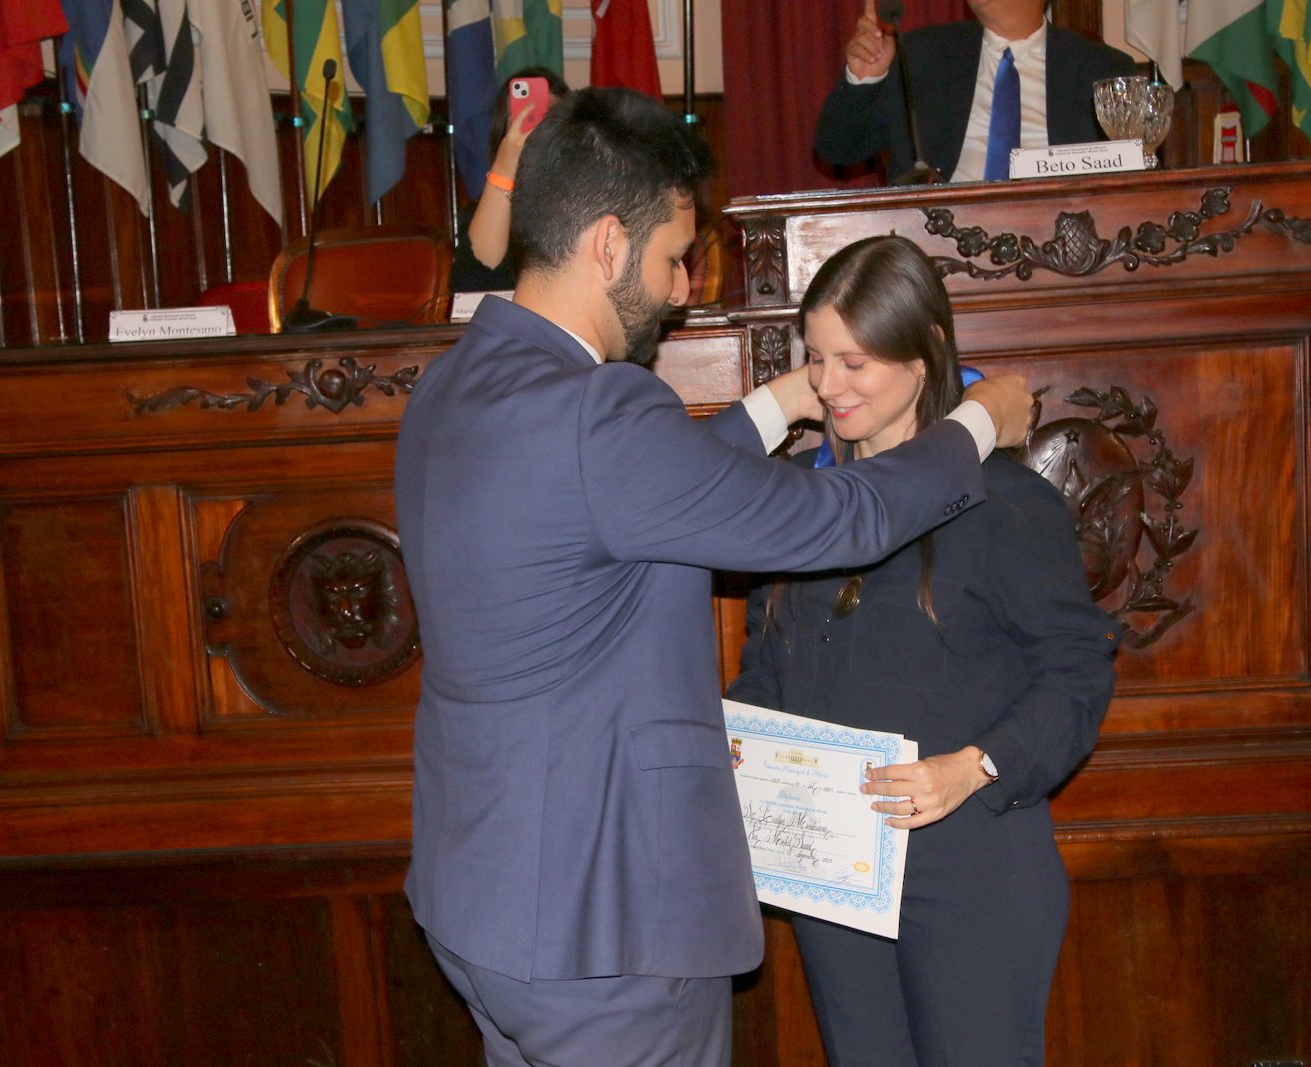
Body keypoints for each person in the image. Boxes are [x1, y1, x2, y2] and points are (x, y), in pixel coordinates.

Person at [393, 88, 1035, 1067]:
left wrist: (781, 401)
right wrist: (976, 423)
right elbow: (841, 517)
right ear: (608, 243)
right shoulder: (601, 411)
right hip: (602, 926)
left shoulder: (455, 379)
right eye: (672, 257)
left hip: (479, 898)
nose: (683, 289)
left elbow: (631, 494)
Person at [727, 235, 1118, 1067]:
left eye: (855, 362)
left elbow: (1077, 671)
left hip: (973, 866)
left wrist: (974, 766)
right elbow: (767, 662)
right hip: (835, 871)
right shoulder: (801, 499)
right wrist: (741, 738)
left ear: (926, 352)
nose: (828, 386)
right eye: (815, 359)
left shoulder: (1005, 501)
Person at [814, 0, 1134, 183]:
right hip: (942, 245)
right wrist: (865, 80)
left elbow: (1130, 177)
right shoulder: (922, 56)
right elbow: (838, 148)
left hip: (1061, 245)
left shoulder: (1103, 68)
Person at [451, 67, 571, 292]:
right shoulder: (483, 216)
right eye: (521, 120)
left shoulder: (589, 210)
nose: (534, 131)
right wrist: (506, 166)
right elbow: (473, 289)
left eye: (547, 118)